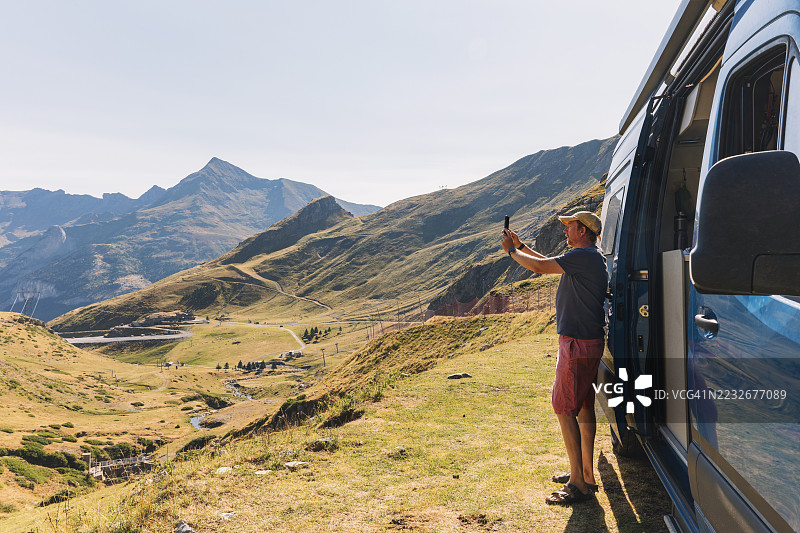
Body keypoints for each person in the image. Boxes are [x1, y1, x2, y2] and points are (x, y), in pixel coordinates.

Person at [501, 210, 608, 505]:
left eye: (570, 227)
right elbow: (544, 261)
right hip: (587, 342)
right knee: (584, 407)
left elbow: (538, 267)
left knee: (563, 408)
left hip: (576, 344)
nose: (565, 231)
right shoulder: (589, 256)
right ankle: (585, 473)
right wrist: (520, 246)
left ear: (583, 231)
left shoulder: (584, 256)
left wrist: (511, 252)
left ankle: (578, 484)